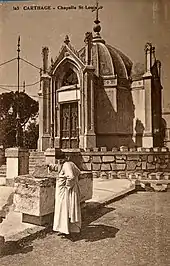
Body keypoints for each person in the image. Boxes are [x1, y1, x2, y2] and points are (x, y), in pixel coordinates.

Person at [52, 150, 82, 238]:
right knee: (70, 209)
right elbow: (78, 172)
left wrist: (68, 186)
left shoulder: (66, 165)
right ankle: (72, 229)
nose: (58, 162)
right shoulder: (70, 163)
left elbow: (71, 176)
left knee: (63, 210)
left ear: (61, 159)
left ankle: (65, 229)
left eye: (59, 160)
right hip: (70, 190)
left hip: (65, 191)